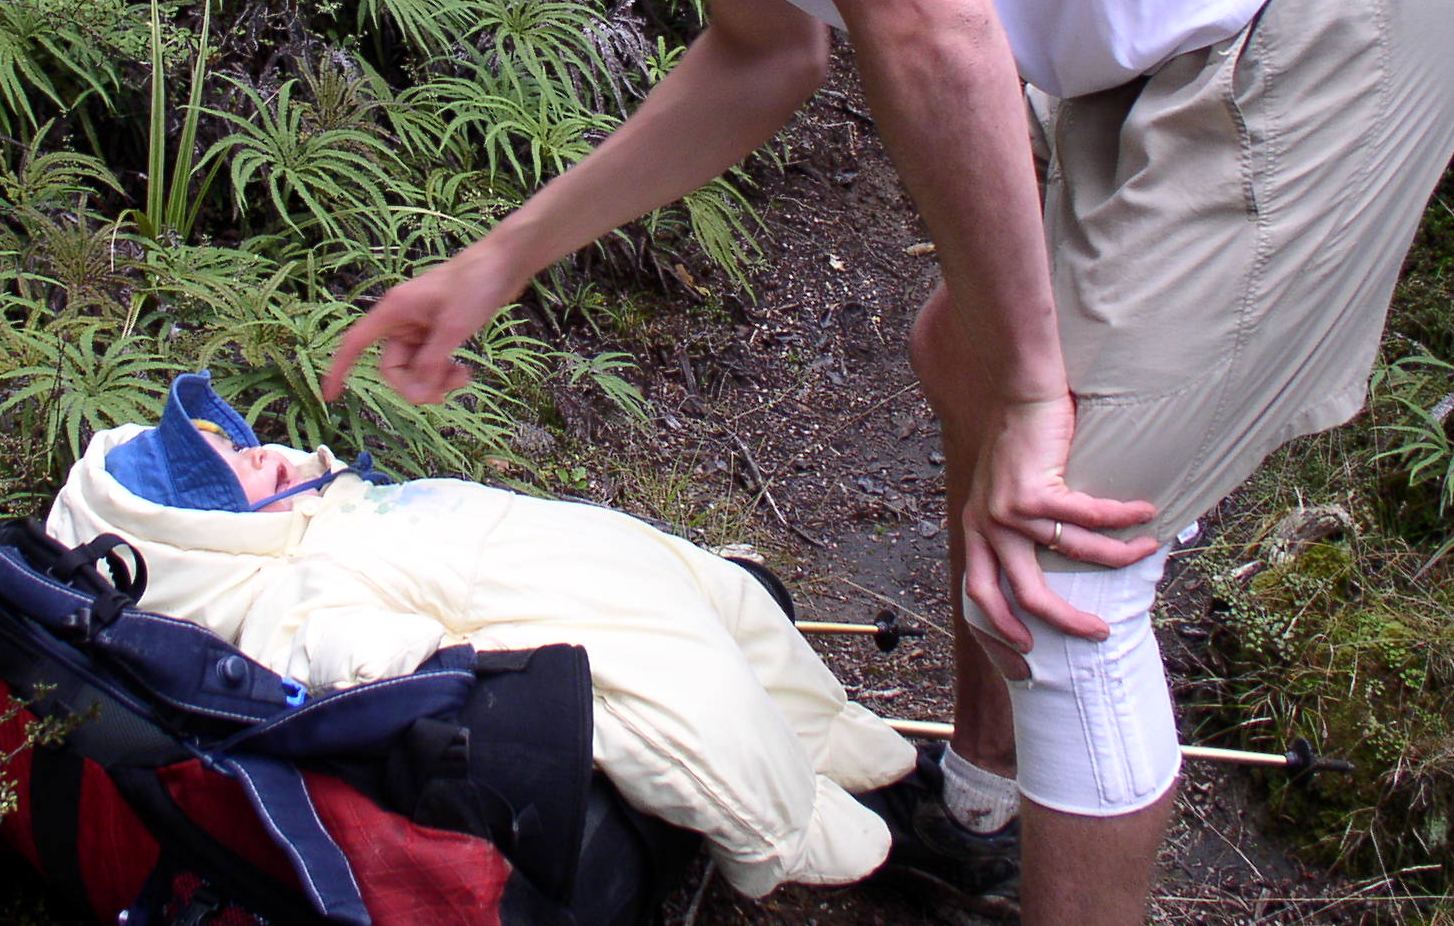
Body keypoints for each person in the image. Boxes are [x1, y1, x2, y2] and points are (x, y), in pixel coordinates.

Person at [187, 0, 1454, 926]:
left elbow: (929, 12)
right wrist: (499, 260)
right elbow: (769, 51)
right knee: (962, 352)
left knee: (1062, 554)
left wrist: (1037, 391)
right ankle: (985, 812)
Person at [48, 370, 923, 897]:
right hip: (575, 614)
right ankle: (796, 826)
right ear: (198, 540)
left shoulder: (329, 506)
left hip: (593, 553)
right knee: (682, 690)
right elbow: (344, 659)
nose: (261, 452)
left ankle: (831, 732)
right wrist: (433, 666)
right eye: (230, 475)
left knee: (724, 596)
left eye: (236, 442)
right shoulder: (285, 597)